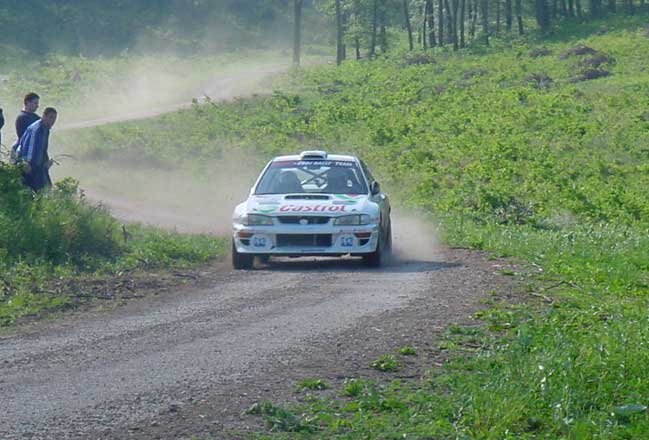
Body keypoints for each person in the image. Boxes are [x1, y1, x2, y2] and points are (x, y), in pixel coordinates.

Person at [16, 107, 57, 191]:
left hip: (38, 164)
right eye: (51, 117)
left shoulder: (46, 129)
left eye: (54, 118)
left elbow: (43, 149)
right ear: (44, 116)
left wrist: (46, 161)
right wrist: (26, 162)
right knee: (32, 191)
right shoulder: (36, 129)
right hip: (28, 165)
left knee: (46, 189)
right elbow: (29, 147)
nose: (53, 121)